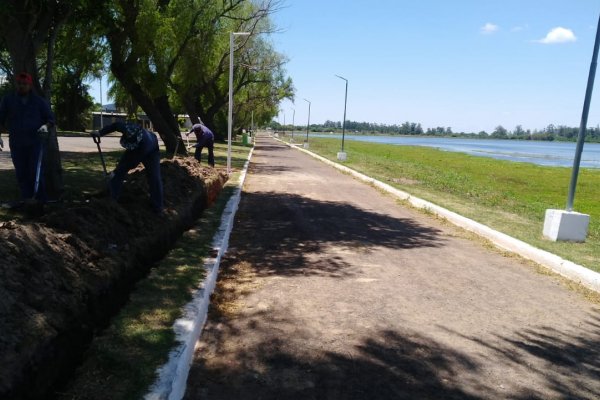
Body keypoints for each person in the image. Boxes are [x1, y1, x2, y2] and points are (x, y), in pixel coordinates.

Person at [0, 72, 55, 205]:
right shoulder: (8, 100)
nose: (21, 86)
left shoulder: (39, 101)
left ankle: (41, 202)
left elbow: (51, 119)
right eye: (19, 83)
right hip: (16, 142)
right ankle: (26, 201)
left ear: (30, 85)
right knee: (21, 172)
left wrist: (45, 126)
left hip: (35, 142)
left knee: (35, 172)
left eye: (25, 84)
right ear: (16, 84)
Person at [92, 121, 164, 214]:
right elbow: (114, 125)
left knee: (154, 177)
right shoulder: (125, 127)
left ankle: (157, 207)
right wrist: (100, 132)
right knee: (118, 173)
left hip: (151, 151)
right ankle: (112, 198)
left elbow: (132, 163)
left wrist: (115, 172)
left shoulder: (143, 146)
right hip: (138, 146)